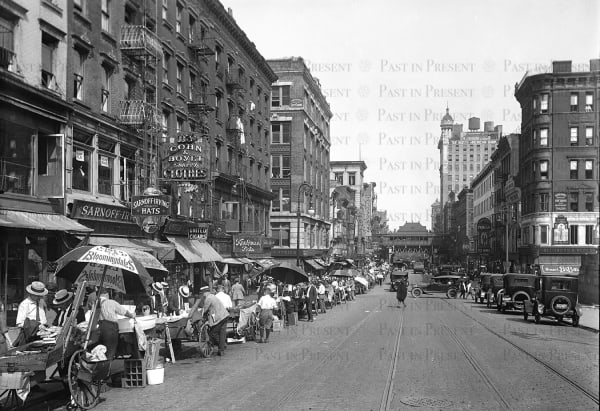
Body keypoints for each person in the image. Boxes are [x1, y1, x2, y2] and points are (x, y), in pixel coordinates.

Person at [190, 286, 229, 356]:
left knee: (212, 333)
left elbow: (205, 310)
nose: (202, 295)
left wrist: (201, 315)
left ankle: (221, 345)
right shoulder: (212, 296)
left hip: (219, 317)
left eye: (202, 294)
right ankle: (221, 349)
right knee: (222, 333)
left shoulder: (208, 298)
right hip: (224, 315)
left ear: (204, 293)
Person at [96, 291, 136, 360]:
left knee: (101, 351)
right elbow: (123, 311)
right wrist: (132, 315)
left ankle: (101, 366)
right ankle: (108, 367)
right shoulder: (111, 302)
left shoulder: (96, 303)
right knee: (110, 351)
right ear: (106, 294)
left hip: (99, 328)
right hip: (110, 328)